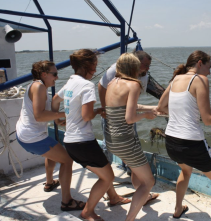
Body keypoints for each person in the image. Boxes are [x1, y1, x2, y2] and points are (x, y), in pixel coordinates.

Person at [157, 50, 211, 220]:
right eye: (209, 67)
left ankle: (177, 210)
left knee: (185, 171)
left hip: (171, 142)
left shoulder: (176, 79)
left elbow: (161, 108)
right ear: (199, 63)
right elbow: (208, 120)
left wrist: (182, 114)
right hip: (192, 144)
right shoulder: (200, 80)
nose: (210, 72)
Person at [52, 49, 114, 221]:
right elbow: (86, 116)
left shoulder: (70, 82)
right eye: (94, 65)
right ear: (87, 65)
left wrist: (57, 119)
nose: (95, 69)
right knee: (108, 177)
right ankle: (88, 212)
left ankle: (113, 197)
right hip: (83, 142)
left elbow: (55, 100)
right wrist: (95, 112)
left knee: (103, 172)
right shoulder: (87, 85)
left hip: (70, 142)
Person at [16, 60, 85, 211]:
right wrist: (68, 113)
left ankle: (49, 182)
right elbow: (39, 116)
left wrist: (57, 119)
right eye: (54, 74)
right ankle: (67, 202)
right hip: (32, 137)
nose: (57, 77)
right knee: (66, 160)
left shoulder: (36, 86)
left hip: (26, 135)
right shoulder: (39, 86)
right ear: (44, 74)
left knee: (53, 151)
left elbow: (41, 112)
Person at [104, 53, 159, 221]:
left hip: (111, 139)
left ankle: (143, 196)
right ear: (133, 67)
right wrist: (146, 116)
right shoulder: (134, 84)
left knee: (137, 169)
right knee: (148, 182)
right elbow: (130, 118)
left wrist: (153, 107)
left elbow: (129, 106)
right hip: (126, 141)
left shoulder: (112, 83)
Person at [98, 50, 151, 174]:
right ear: (136, 64)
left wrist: (151, 108)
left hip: (126, 114)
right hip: (114, 116)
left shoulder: (142, 76)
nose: (147, 68)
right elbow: (101, 86)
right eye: (145, 65)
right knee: (107, 144)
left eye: (149, 65)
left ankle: (130, 169)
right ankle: (106, 174)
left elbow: (129, 104)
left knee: (131, 137)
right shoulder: (115, 72)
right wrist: (104, 108)